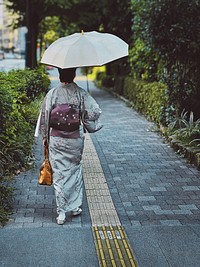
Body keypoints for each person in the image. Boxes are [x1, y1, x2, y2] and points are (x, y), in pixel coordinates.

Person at [35, 68, 102, 225]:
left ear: (59, 75)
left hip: (57, 139)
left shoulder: (52, 93)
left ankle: (61, 213)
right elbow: (95, 112)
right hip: (74, 140)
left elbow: (45, 117)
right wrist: (82, 114)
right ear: (73, 75)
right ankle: (75, 207)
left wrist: (45, 137)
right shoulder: (80, 92)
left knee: (59, 174)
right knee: (75, 171)